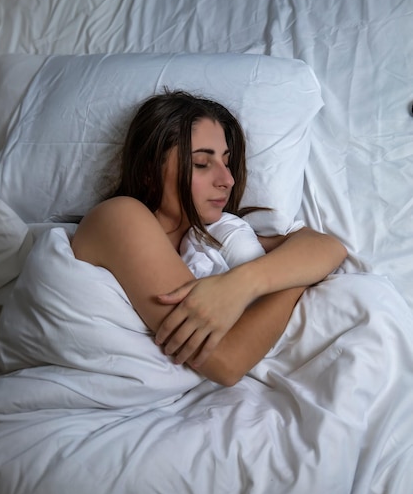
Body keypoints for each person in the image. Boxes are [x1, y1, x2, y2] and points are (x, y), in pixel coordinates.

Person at [71, 90, 347, 386]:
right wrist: (296, 279)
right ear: (150, 171)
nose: (227, 179)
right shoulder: (120, 217)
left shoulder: (208, 237)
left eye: (226, 162)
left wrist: (240, 284)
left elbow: (327, 247)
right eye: (202, 163)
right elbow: (225, 361)